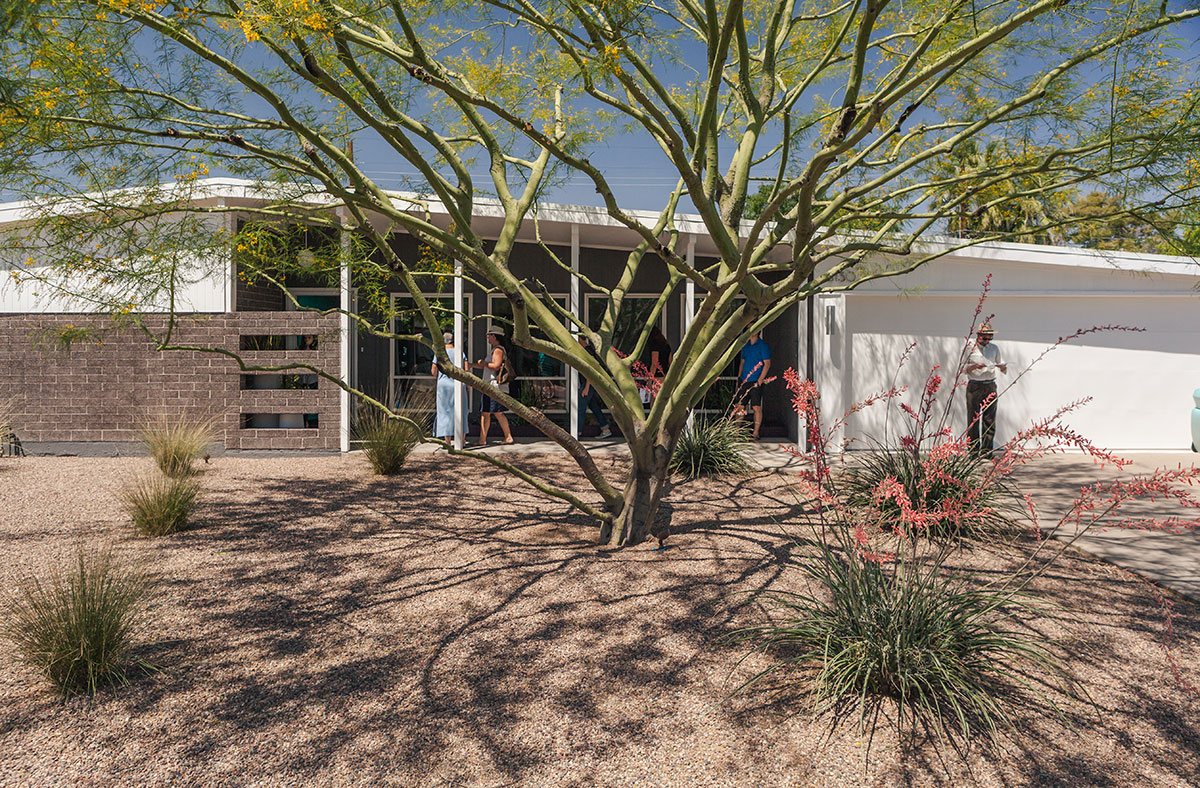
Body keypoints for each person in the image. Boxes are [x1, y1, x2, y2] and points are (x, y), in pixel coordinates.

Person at [964, 321, 1007, 459]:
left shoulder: (994, 348)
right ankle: (973, 452)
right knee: (973, 419)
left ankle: (987, 451)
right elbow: (962, 369)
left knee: (989, 419)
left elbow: (1002, 365)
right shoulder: (969, 348)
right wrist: (974, 366)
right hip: (974, 386)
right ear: (978, 335)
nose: (987, 340)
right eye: (985, 338)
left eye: (990, 338)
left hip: (990, 385)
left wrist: (1002, 367)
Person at [468, 326, 514, 446]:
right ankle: (504, 437)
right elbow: (488, 366)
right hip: (492, 386)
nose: (488, 337)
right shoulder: (495, 349)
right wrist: (472, 365)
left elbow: (496, 366)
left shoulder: (498, 350)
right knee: (492, 413)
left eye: (489, 335)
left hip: (494, 386)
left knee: (489, 413)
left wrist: (484, 363)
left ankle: (485, 439)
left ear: (494, 336)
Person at [735, 331, 771, 440]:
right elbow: (742, 362)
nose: (750, 331)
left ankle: (755, 433)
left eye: (752, 328)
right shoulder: (745, 346)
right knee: (740, 406)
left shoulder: (763, 346)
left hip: (756, 380)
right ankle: (736, 432)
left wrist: (760, 379)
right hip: (744, 380)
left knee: (756, 407)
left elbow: (767, 363)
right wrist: (739, 378)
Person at [431, 331, 464, 443]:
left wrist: (439, 377)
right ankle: (462, 440)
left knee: (445, 411)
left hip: (444, 385)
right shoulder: (460, 353)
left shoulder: (440, 354)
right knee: (462, 411)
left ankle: (447, 440)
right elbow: (466, 369)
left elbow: (433, 371)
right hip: (459, 384)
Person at [577, 335, 612, 439]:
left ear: (580, 339)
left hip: (588, 383)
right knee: (594, 407)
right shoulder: (588, 350)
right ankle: (605, 428)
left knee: (580, 407)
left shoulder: (588, 352)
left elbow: (592, 369)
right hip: (589, 383)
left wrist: (587, 387)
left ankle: (576, 432)